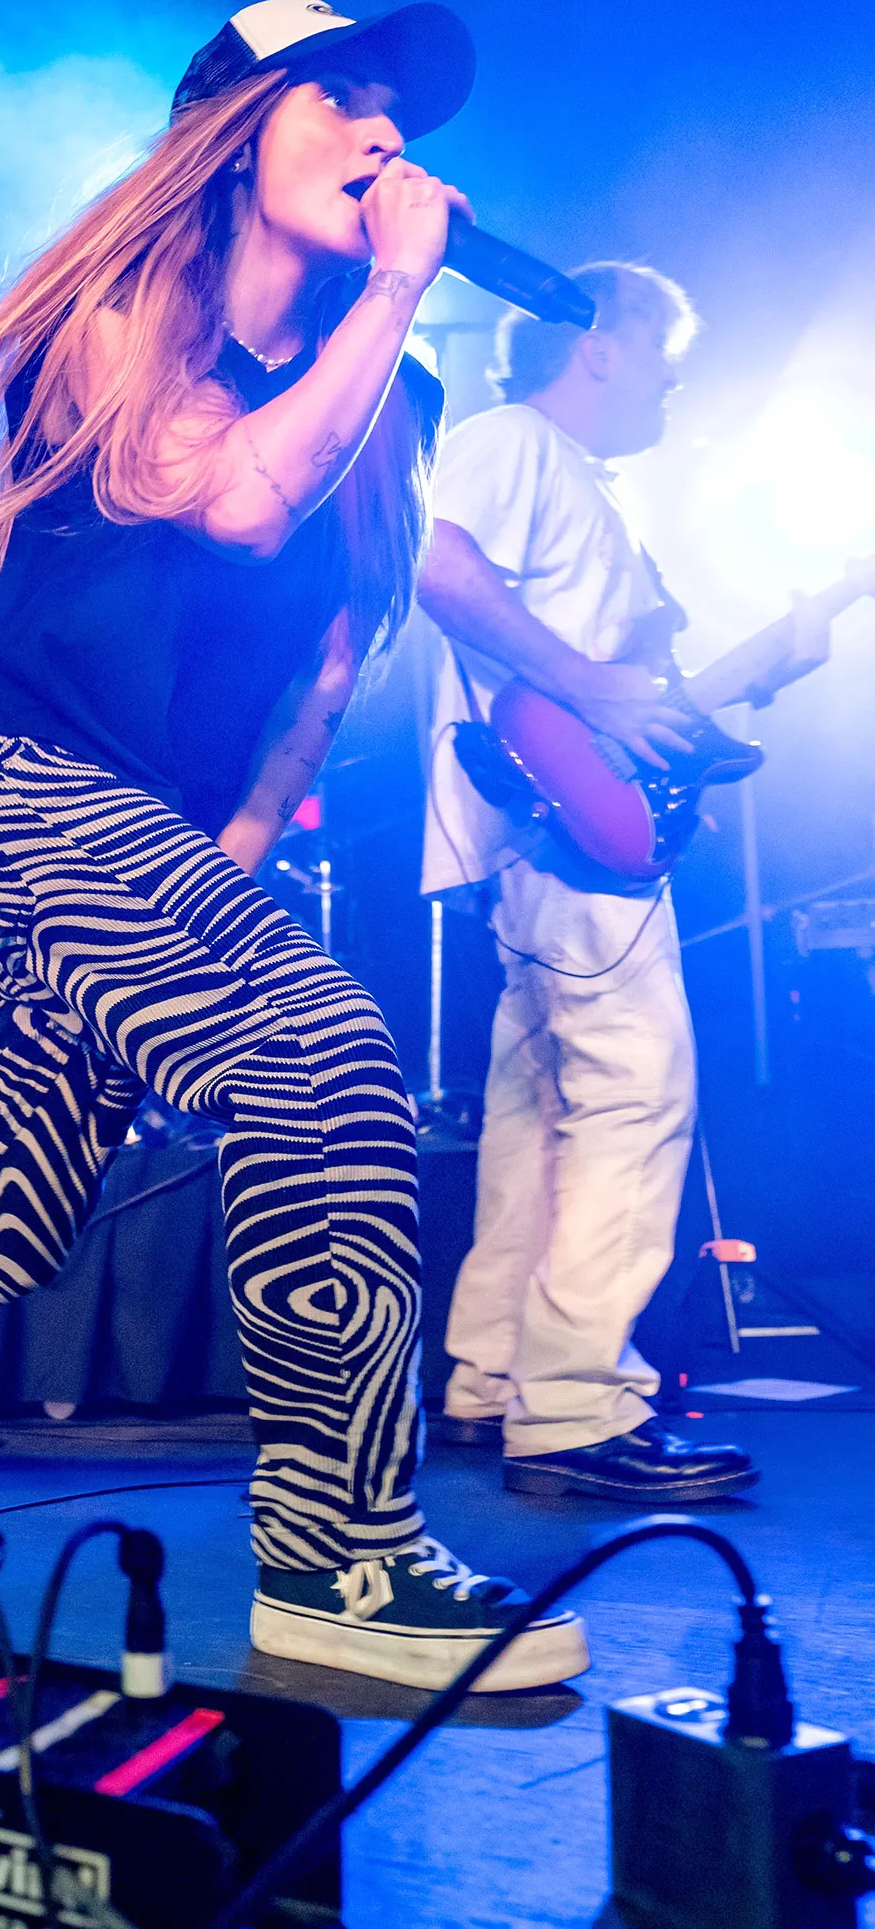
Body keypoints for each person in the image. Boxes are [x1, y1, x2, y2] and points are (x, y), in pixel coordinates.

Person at [0, 0, 588, 1692]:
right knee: (319, 1053)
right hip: (17, 777)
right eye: (339, 99)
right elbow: (229, 499)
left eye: (397, 112)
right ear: (229, 131)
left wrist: (226, 858)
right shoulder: (119, 310)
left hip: (159, 833)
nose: (386, 136)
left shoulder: (387, 391)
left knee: (5, 1221)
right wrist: (397, 285)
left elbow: (329, 658)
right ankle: (335, 1554)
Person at [418, 263, 823, 1503]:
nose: (672, 379)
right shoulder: (512, 438)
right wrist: (593, 688)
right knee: (635, 1094)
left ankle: (492, 1378)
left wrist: (761, 664)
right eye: (661, 352)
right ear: (594, 343)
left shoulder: (587, 487)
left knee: (540, 1114)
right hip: (559, 833)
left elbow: (628, 698)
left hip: (550, 832)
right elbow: (436, 565)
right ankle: (576, 1408)